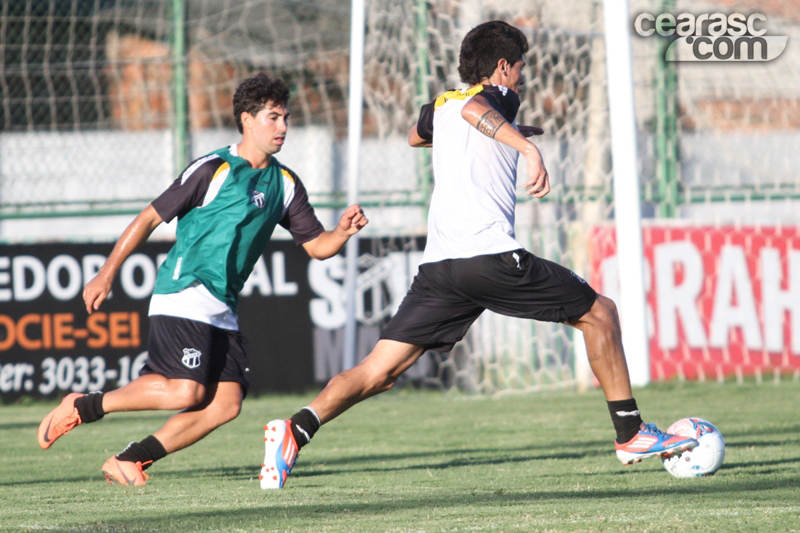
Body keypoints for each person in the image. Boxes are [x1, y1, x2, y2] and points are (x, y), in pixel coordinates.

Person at [259, 21, 697, 490]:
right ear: (502, 67)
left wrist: (503, 132)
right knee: (601, 314)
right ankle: (630, 433)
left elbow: (415, 135)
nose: (522, 79)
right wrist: (525, 146)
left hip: (441, 270)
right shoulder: (493, 97)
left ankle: (294, 430)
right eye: (520, 69)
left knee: (380, 371)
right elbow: (474, 108)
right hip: (488, 256)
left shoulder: (443, 104)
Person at [37, 73, 368, 486]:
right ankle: (85, 406)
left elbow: (316, 246)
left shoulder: (284, 183)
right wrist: (107, 273)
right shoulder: (212, 169)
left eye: (285, 118)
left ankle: (130, 460)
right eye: (272, 117)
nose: (282, 127)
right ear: (246, 119)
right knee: (186, 392)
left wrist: (341, 233)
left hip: (223, 307)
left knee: (225, 404)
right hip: (185, 291)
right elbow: (148, 218)